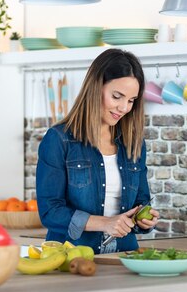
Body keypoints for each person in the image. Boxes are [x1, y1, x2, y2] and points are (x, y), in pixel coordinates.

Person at [36, 48, 159, 254]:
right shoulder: (59, 139)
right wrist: (104, 223)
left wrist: (144, 219)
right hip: (72, 256)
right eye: (117, 96)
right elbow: (50, 211)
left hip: (124, 255)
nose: (124, 108)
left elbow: (141, 201)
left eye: (131, 100)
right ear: (96, 87)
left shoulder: (134, 143)